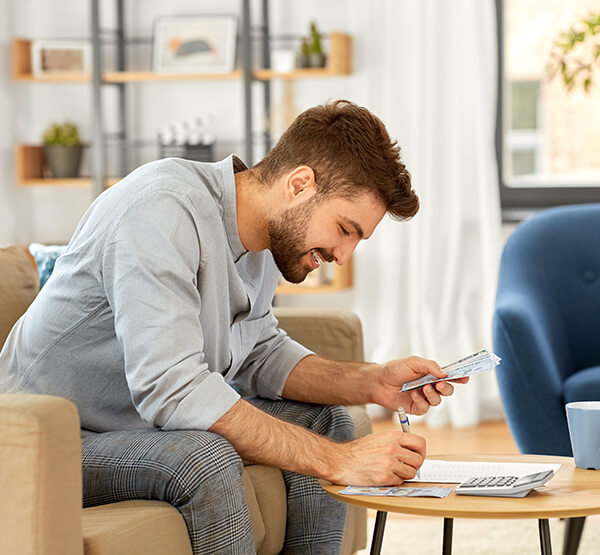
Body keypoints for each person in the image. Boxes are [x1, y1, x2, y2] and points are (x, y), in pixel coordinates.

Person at [0, 100, 465, 554]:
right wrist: (339, 461)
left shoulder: (262, 239)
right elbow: (172, 389)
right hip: (45, 436)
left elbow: (259, 353)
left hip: (134, 426)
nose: (343, 255)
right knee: (206, 461)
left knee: (328, 421)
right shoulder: (161, 210)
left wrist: (373, 382)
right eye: (345, 229)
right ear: (300, 185)